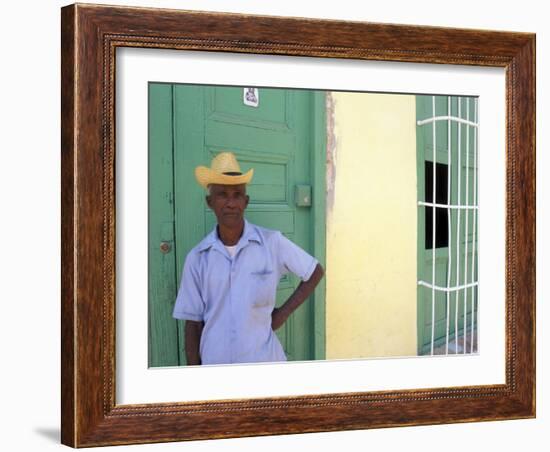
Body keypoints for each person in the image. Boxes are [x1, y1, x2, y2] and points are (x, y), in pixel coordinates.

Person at [172, 151, 324, 365]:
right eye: (222, 194)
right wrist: (196, 378)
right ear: (210, 202)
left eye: (237, 195)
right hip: (216, 369)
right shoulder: (197, 258)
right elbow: (192, 324)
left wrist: (282, 314)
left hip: (264, 363)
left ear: (246, 201)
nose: (231, 203)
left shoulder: (272, 243)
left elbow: (314, 271)